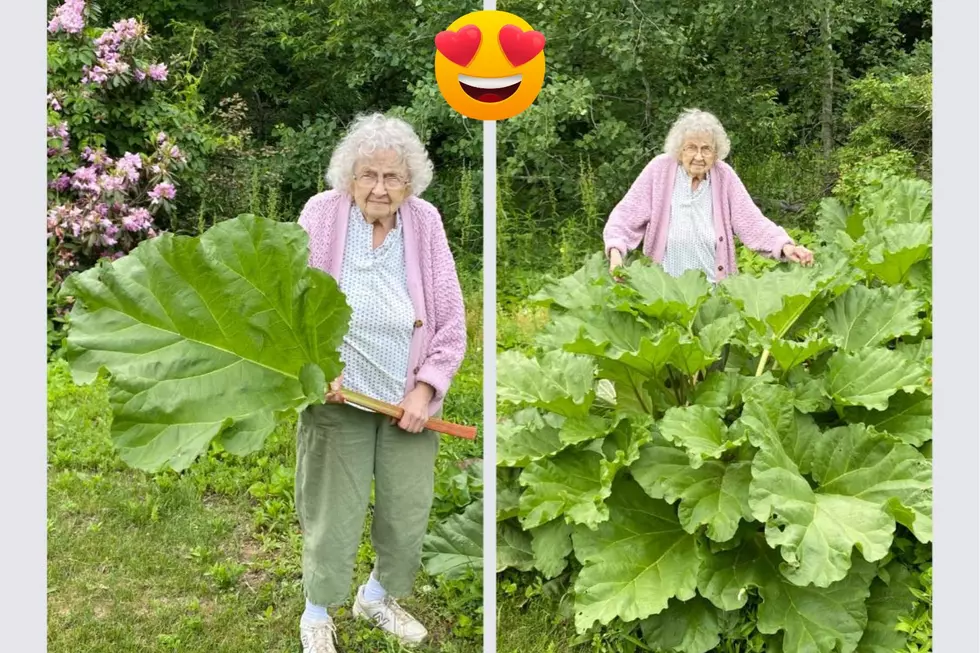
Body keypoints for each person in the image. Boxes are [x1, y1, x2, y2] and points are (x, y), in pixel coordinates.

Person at [294, 113, 467, 653]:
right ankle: (318, 610)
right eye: (368, 175)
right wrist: (317, 363)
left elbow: (450, 320)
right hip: (338, 395)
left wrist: (426, 387)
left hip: (404, 402)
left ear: (409, 182)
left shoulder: (426, 222)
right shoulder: (320, 216)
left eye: (393, 177)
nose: (380, 188)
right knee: (332, 512)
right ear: (349, 177)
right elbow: (291, 303)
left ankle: (376, 596)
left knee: (406, 510)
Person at [603, 108, 814, 280]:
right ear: (679, 150)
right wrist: (615, 255)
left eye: (706, 149)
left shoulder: (724, 176)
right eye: (691, 148)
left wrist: (785, 246)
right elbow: (625, 216)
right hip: (664, 287)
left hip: (713, 287)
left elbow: (752, 222)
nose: (698, 156)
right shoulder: (659, 170)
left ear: (716, 152)